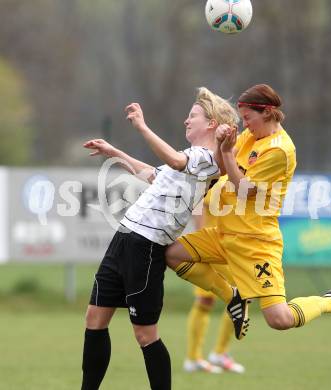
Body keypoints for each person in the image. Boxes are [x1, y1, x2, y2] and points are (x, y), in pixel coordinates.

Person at [165, 83, 331, 342]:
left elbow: (244, 190)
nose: (245, 125)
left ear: (267, 112)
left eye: (248, 118)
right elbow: (220, 165)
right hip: (224, 234)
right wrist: (219, 141)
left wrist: (227, 151)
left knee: (279, 320)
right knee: (171, 254)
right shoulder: (252, 136)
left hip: (256, 243)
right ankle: (232, 296)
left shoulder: (280, 150)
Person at [80, 87, 239, 390]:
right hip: (124, 238)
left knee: (145, 335)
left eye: (192, 116)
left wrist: (141, 126)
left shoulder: (208, 159)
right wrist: (115, 152)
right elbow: (153, 174)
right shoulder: (189, 157)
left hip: (147, 248)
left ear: (211, 124)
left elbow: (177, 162)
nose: (186, 121)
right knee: (94, 319)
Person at [183, 190, 245, 374]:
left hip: (229, 250)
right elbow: (199, 204)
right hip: (212, 249)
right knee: (242, 294)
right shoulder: (215, 173)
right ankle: (206, 356)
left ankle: (206, 356)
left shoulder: (237, 173)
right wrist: (201, 242)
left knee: (212, 301)